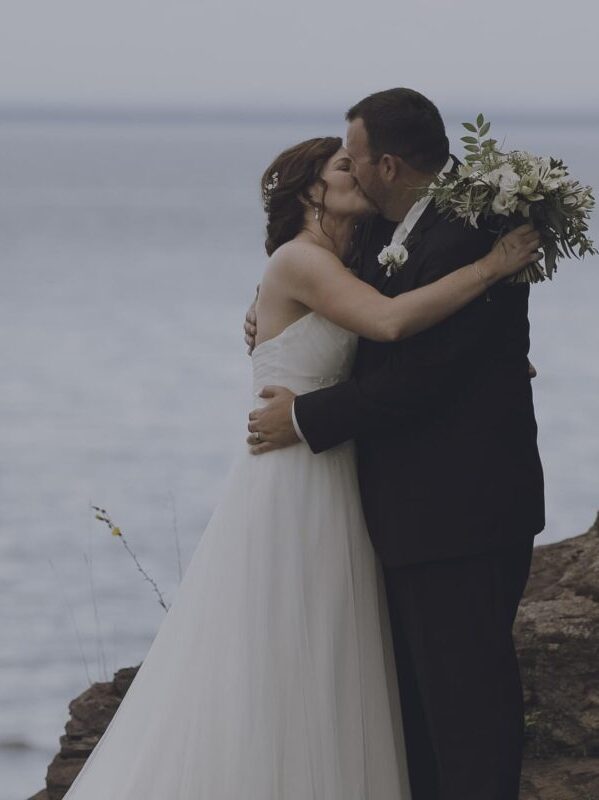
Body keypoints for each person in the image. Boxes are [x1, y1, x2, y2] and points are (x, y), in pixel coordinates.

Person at [59, 130, 540, 800]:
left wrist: (488, 363)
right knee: (286, 641)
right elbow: (393, 324)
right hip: (291, 475)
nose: (361, 176)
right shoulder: (302, 262)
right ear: (309, 189)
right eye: (343, 167)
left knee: (339, 649)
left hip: (340, 474)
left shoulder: (361, 257)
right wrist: (492, 265)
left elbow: (403, 350)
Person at [244, 89, 545, 800]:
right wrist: (270, 320)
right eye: (334, 168)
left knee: (467, 709)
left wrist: (307, 417)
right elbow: (348, 303)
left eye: (350, 160)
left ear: (384, 163)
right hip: (399, 510)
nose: (345, 169)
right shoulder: (388, 232)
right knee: (415, 708)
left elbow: (422, 375)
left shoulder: (471, 232)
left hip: (459, 511)